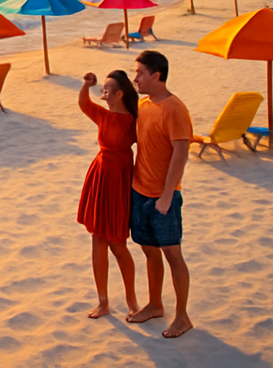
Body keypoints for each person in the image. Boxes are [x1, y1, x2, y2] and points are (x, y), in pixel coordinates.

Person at [126, 50, 194, 338]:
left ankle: (182, 317)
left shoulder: (175, 109)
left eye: (140, 73)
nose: (136, 78)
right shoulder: (144, 105)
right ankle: (155, 304)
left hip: (163, 197)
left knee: (172, 254)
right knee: (149, 251)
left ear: (157, 75)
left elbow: (181, 154)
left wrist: (166, 197)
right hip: (139, 192)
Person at [77, 70, 139, 320]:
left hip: (120, 177)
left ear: (119, 93)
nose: (102, 92)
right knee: (98, 239)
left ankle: (131, 299)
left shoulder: (136, 119)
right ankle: (103, 301)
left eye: (106, 88)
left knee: (118, 244)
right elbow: (83, 103)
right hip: (100, 174)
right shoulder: (103, 115)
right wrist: (86, 84)